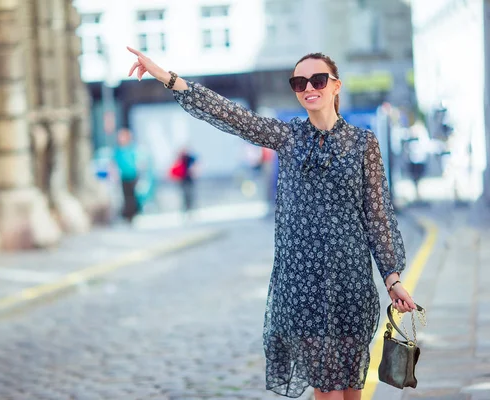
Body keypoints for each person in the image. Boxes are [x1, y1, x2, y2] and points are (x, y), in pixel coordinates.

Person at [126, 46, 417, 400]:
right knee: (325, 387)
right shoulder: (288, 137)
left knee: (351, 385)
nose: (309, 86)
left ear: (336, 86)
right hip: (302, 284)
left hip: (350, 281)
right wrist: (170, 79)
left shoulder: (363, 144)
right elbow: (232, 115)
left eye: (318, 79)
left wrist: (392, 277)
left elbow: (378, 215)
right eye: (299, 82)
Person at [113, 127, 140, 223]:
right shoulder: (118, 150)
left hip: (132, 175)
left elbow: (137, 161)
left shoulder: (131, 148)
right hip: (123, 176)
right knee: (126, 196)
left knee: (132, 195)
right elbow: (114, 162)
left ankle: (133, 213)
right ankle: (128, 214)